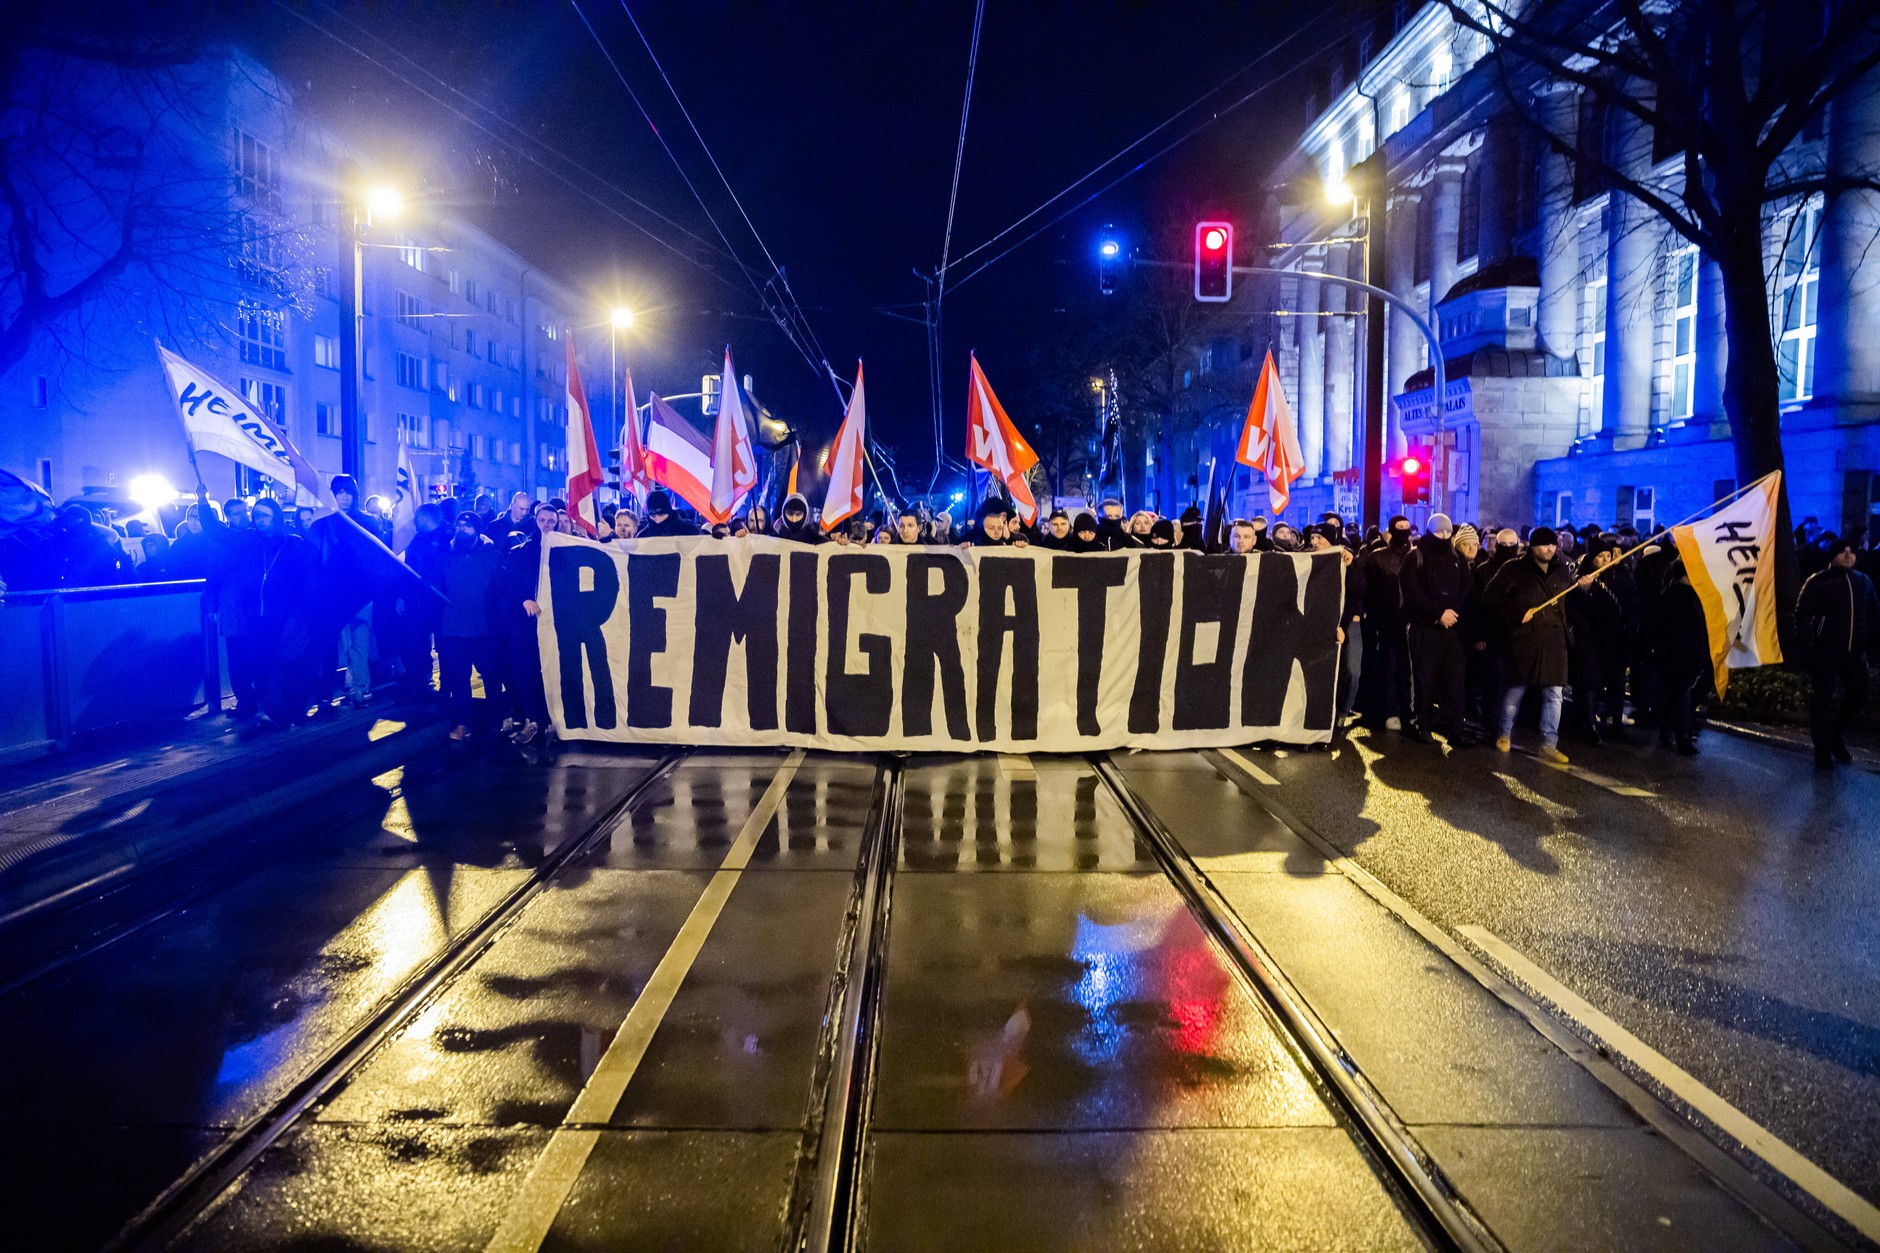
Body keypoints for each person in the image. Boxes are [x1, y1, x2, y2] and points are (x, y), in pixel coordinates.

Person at [1484, 526, 1593, 763]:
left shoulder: (1562, 570)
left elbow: (1572, 603)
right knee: (1515, 690)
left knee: (1554, 694)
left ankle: (1549, 744)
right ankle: (1503, 734)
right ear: (1533, 546)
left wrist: (1583, 588)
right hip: (1524, 639)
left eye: (1553, 544)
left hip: (1554, 641)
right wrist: (1516, 612)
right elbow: (1491, 596)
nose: (1549, 549)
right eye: (1544, 545)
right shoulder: (1514, 569)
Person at [1797, 538, 1880, 768]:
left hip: (1855, 651)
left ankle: (1835, 733)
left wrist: (1872, 648)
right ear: (1833, 555)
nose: (1848, 555)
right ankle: (1822, 750)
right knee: (1823, 700)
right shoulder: (1818, 581)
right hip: (1826, 651)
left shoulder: (1863, 581)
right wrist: (1807, 649)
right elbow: (1802, 615)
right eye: (1842, 551)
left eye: (1851, 551)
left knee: (1859, 696)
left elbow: (1874, 615)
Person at [249, 497, 322, 728]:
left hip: (292, 615)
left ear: (275, 517)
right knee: (266, 663)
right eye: (257, 515)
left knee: (286, 663)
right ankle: (278, 713)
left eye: (265, 515)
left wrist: (303, 611)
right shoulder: (253, 544)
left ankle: (288, 712)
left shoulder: (293, 544)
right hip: (262, 616)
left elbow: (309, 579)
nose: (260, 520)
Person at [1399, 514, 1472, 743]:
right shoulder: (1415, 557)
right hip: (1424, 628)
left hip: (1452, 629)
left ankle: (1454, 729)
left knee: (1455, 681)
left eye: (1447, 532)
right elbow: (1412, 592)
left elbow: (1466, 588)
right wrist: (1438, 614)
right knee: (1424, 680)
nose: (1444, 536)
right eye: (1439, 532)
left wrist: (1453, 612)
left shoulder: (1457, 557)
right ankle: (1421, 725)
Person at [310, 474, 378, 708]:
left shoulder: (367, 522)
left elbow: (377, 555)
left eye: (348, 492)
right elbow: (314, 557)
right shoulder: (323, 523)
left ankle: (358, 687)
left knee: (360, 639)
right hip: (332, 591)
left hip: (360, 590)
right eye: (340, 492)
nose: (345, 497)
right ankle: (325, 692)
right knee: (330, 642)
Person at [439, 511, 505, 742]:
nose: (462, 530)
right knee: (458, 679)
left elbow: (501, 590)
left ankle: (496, 719)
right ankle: (462, 723)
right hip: (455, 629)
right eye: (459, 525)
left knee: (491, 675)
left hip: (484, 628)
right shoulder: (446, 556)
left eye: (467, 526)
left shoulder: (491, 556)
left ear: (477, 530)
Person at [1651, 558, 1712, 757]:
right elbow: (1666, 632)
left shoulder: (1690, 597)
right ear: (1682, 577)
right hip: (1678, 657)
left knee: (1676, 697)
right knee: (1680, 697)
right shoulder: (1675, 599)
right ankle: (1682, 738)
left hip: (1689, 656)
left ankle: (1667, 731)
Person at [1361, 516, 1413, 730]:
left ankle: (1408, 711)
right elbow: (1368, 591)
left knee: (1408, 669)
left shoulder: (1415, 556)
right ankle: (1390, 711)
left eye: (1406, 528)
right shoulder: (1378, 558)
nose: (1403, 531)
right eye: (1399, 528)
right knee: (1389, 667)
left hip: (1411, 621)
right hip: (1386, 622)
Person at [399, 503, 449, 699]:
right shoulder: (417, 540)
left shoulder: (446, 539)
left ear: (427, 519)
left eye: (418, 518)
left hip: (439, 602)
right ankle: (417, 683)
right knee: (415, 644)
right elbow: (408, 570)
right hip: (417, 602)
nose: (414, 522)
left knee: (444, 647)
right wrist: (403, 596)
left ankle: (447, 687)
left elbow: (447, 570)